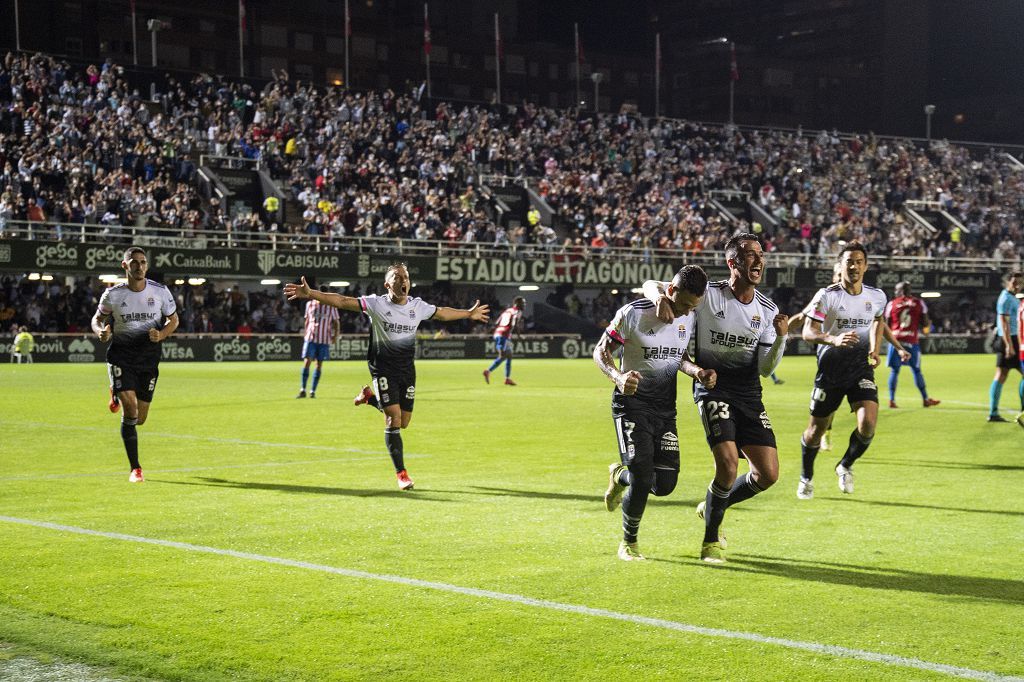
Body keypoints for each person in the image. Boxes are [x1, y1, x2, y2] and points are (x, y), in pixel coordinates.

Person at [643, 233, 788, 564]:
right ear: (732, 261)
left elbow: (766, 368)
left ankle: (711, 505)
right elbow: (652, 283)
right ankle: (710, 541)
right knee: (727, 463)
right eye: (750, 255)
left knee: (767, 475)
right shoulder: (709, 295)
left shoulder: (768, 310)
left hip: (750, 395)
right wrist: (660, 299)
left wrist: (781, 339)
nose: (758, 261)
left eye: (760, 255)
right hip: (712, 388)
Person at [284, 264, 489, 490]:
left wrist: (469, 313)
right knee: (393, 419)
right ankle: (401, 474)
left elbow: (442, 313)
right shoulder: (376, 303)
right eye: (397, 276)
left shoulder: (417, 306)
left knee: (405, 421)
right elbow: (342, 301)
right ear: (387, 284)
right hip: (382, 368)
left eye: (406, 277)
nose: (403, 280)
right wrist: (311, 293)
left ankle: (370, 397)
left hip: (407, 370)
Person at [596, 265, 713, 561]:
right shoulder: (633, 313)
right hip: (631, 405)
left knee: (664, 485)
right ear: (670, 291)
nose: (688, 312)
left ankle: (619, 476)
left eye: (693, 307)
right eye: (685, 304)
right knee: (643, 472)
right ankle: (629, 542)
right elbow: (601, 350)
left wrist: (696, 371)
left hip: (665, 409)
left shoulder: (688, 316)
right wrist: (618, 376)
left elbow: (680, 357)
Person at [797, 243, 910, 500]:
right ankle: (806, 477)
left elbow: (878, 321)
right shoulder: (827, 295)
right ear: (841, 265)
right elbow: (807, 332)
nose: (854, 266)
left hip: (860, 370)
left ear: (865, 266)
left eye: (859, 261)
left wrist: (874, 349)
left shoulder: (877, 296)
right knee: (815, 431)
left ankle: (845, 465)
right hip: (830, 372)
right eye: (849, 261)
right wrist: (833, 339)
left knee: (868, 422)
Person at [90, 247, 179, 483]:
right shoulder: (113, 294)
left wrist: (161, 334)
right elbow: (97, 319)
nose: (139, 266)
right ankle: (135, 468)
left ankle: (116, 393)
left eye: (143, 262)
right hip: (121, 356)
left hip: (148, 359)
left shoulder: (160, 291)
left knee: (139, 419)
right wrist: (101, 332)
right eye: (134, 262)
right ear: (125, 265)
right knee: (130, 410)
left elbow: (173, 319)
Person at [884, 281, 940, 409]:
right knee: (916, 370)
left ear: (900, 291)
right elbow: (925, 323)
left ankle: (892, 400)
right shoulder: (919, 303)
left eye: (896, 291)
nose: (895, 293)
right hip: (911, 340)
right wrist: (923, 327)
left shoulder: (892, 304)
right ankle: (925, 399)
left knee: (894, 370)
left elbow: (886, 324)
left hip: (896, 341)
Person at [989, 271, 1023, 423]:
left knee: (1001, 375)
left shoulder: (1011, 297)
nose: (1018, 285)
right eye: (1015, 282)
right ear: (1008, 282)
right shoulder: (1005, 299)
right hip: (1009, 340)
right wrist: (1009, 346)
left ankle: (993, 412)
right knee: (1001, 375)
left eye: (1020, 282)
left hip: (1010, 340)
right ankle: (1021, 412)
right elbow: (1004, 323)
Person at [297, 285, 340, 399]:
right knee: (307, 362)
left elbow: (336, 322)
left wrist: (335, 335)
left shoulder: (331, 307)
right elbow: (307, 320)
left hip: (324, 340)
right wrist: (305, 333)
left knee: (318, 365)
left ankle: (312, 391)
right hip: (310, 338)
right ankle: (303, 389)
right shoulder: (309, 304)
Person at [483, 296, 525, 386]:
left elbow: (497, 323)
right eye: (523, 303)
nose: (524, 305)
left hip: (499, 333)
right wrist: (518, 335)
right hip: (504, 335)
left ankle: (507, 378)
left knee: (509, 355)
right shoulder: (517, 311)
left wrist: (490, 332)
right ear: (517, 303)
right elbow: (515, 324)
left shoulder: (507, 310)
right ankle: (488, 371)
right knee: (502, 356)